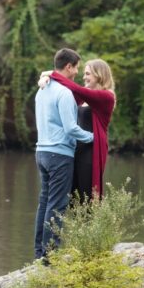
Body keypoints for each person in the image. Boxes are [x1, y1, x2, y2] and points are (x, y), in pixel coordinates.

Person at [33, 48, 94, 262]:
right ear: (68, 66)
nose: (77, 72)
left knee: (44, 203)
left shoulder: (42, 90)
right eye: (76, 67)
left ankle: (40, 254)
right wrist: (93, 137)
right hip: (59, 154)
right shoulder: (64, 92)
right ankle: (51, 256)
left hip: (41, 152)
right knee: (57, 205)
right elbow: (70, 128)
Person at [41, 59, 116, 200]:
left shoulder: (107, 97)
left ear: (99, 75)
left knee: (87, 194)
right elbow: (62, 92)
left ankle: (89, 222)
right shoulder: (83, 98)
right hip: (76, 148)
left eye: (87, 74)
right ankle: (75, 222)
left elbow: (75, 88)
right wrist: (47, 79)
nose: (83, 77)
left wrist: (52, 73)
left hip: (92, 150)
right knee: (73, 195)